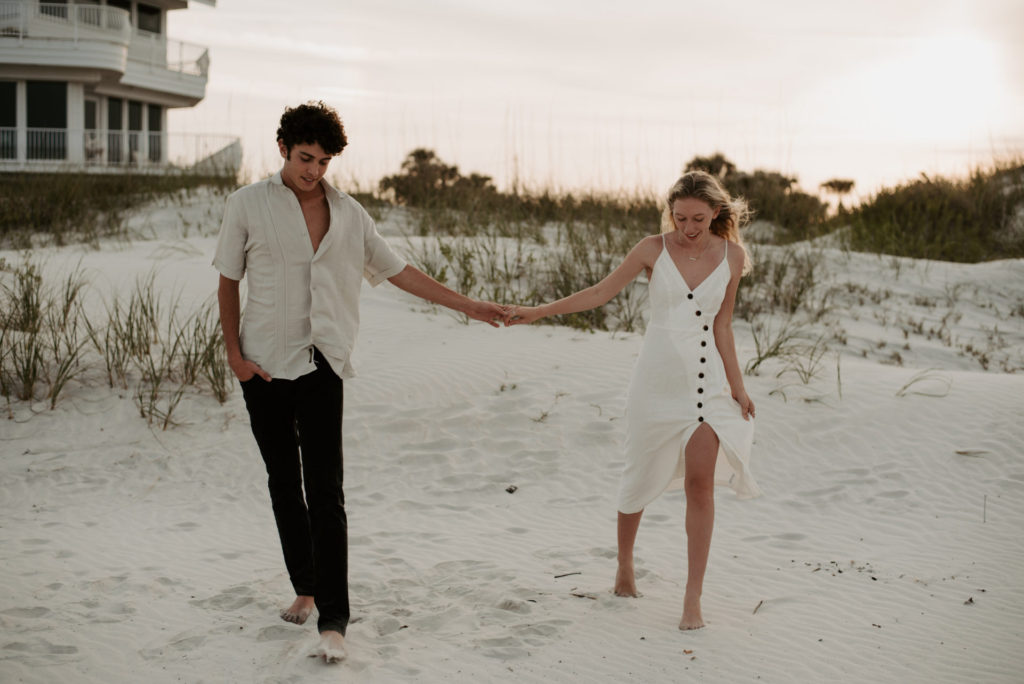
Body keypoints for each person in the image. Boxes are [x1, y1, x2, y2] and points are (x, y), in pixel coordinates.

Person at [213, 101, 506, 663]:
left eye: (324, 161)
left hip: (324, 361)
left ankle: (334, 621)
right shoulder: (246, 203)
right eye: (305, 158)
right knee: (283, 482)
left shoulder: (349, 214)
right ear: (283, 149)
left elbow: (399, 271)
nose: (314, 170)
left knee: (327, 491)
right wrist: (234, 356)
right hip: (263, 364)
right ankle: (305, 586)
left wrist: (468, 305)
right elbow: (228, 280)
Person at [507, 170, 762, 630]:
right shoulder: (651, 249)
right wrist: (538, 312)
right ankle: (624, 565)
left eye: (698, 218)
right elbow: (600, 293)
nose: (688, 227)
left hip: (706, 385)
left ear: (716, 213)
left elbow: (722, 325)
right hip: (657, 382)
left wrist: (738, 387)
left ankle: (692, 598)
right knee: (639, 474)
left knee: (700, 485)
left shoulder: (733, 256)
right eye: (680, 217)